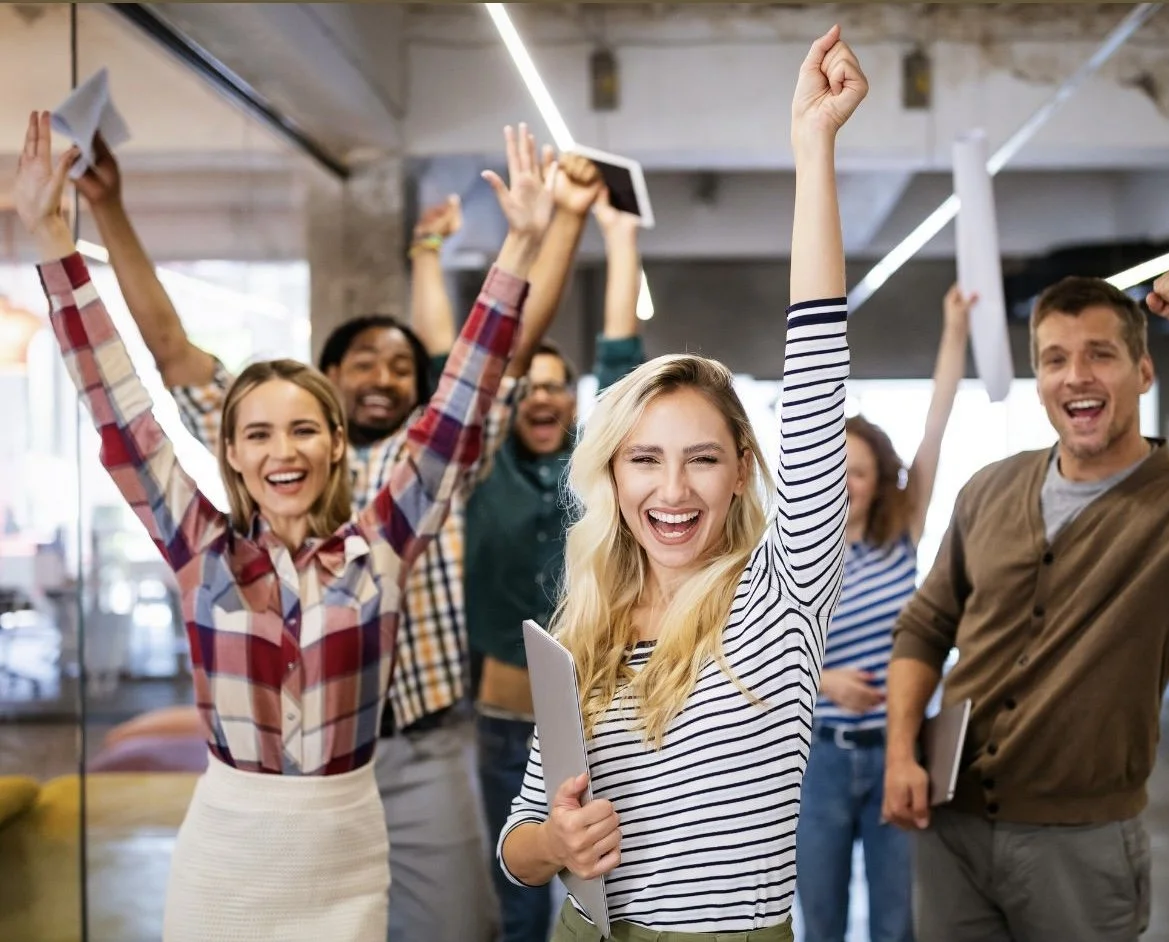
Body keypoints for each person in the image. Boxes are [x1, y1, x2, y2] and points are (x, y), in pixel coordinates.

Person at [15, 111, 551, 941]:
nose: (282, 451)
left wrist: (518, 251)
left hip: (346, 852)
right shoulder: (201, 550)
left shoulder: (380, 549)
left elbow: (457, 413)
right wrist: (50, 239)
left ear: (337, 445)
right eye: (257, 434)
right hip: (227, 857)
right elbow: (119, 411)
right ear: (230, 451)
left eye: (304, 428)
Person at [496, 24, 865, 941]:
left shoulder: (780, 598)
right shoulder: (583, 624)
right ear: (612, 477)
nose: (674, 489)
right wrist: (555, 843)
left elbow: (818, 372)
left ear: (743, 472)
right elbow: (517, 838)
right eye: (644, 460)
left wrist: (812, 150)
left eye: (703, 457)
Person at [882, 267, 1169, 941]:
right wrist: (902, 752)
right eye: (1055, 359)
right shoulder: (989, 488)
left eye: (1101, 354)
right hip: (948, 826)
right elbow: (925, 626)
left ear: (1144, 372)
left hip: (1081, 842)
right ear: (1038, 381)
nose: (1077, 375)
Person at [466, 171, 647, 942]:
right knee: (515, 899)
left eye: (555, 385)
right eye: (526, 387)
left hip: (600, 715)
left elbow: (621, 359)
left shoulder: (595, 463)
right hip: (504, 718)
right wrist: (551, 230)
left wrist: (619, 236)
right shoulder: (479, 472)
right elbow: (491, 365)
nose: (541, 397)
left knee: (606, 894)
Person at [796, 284, 972, 942]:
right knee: (822, 921)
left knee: (897, 922)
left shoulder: (901, 535)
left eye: (860, 471)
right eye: (834, 467)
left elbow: (937, 421)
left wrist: (954, 329)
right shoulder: (789, 557)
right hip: (820, 759)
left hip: (901, 751)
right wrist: (824, 683)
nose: (846, 481)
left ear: (878, 479)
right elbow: (749, 654)